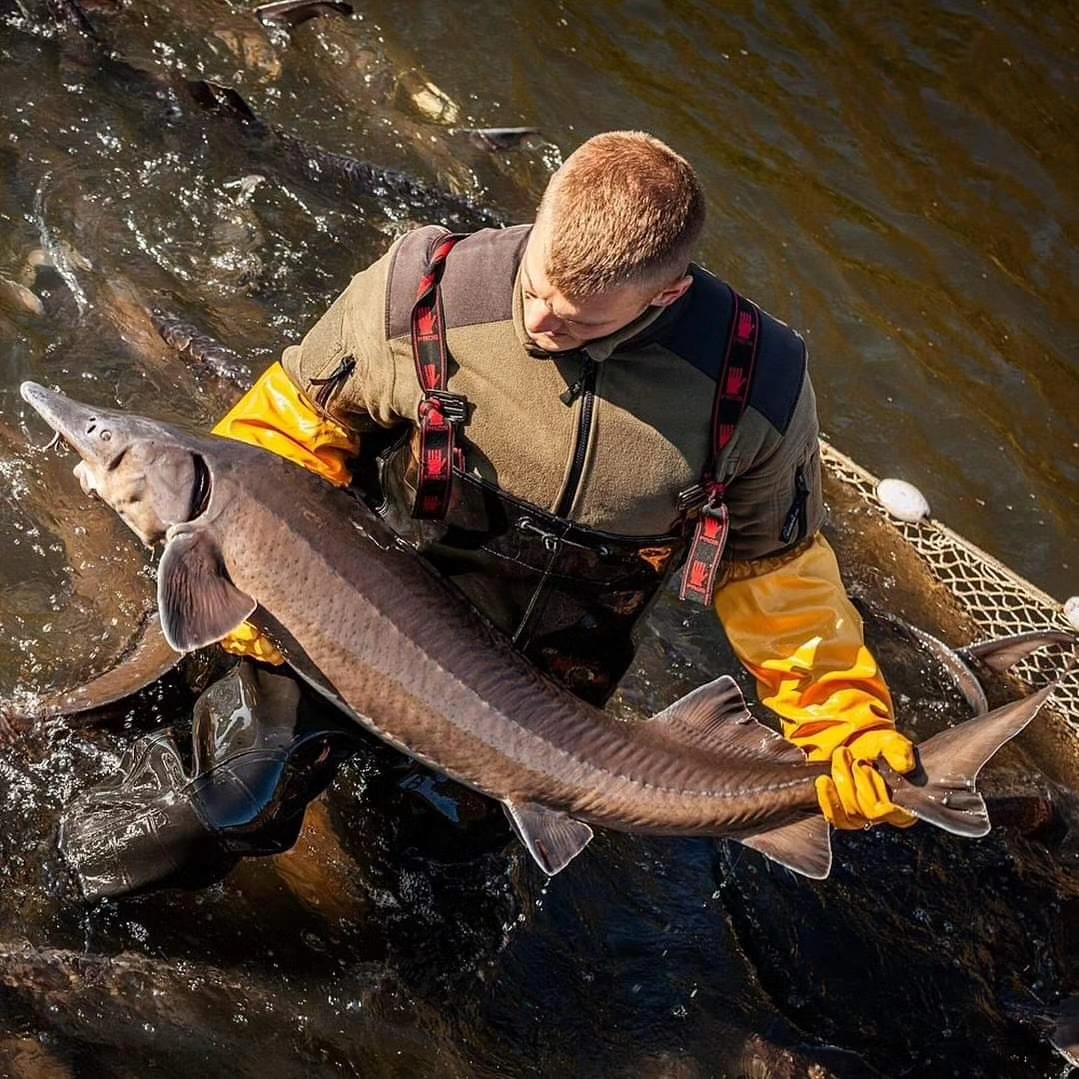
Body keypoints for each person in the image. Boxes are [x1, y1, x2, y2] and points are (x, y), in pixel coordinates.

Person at [58, 131, 916, 900]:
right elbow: (279, 441)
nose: (538, 319)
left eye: (577, 319)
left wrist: (840, 717)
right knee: (193, 816)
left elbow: (775, 574)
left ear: (664, 294)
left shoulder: (755, 387)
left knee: (435, 905)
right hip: (355, 607)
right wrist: (249, 583)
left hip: (543, 700)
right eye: (536, 285)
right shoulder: (419, 286)